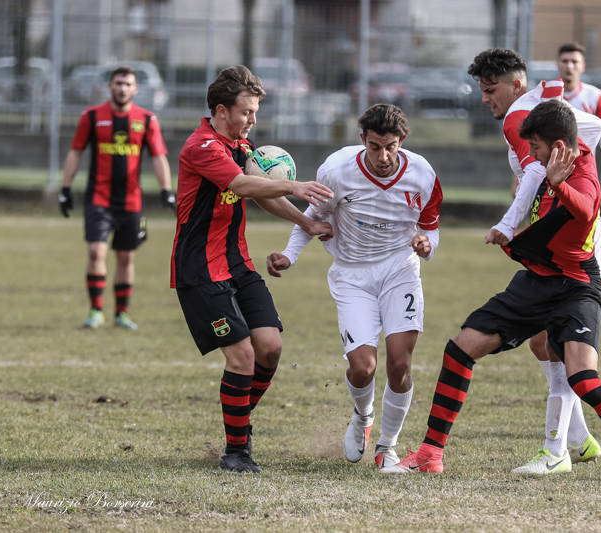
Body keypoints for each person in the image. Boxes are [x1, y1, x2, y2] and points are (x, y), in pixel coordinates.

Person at [382, 99, 601, 483]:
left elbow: (588, 209)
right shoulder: (551, 160)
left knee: (584, 379)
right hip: (537, 280)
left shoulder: (581, 173)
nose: (531, 156)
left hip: (576, 287)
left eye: (536, 148)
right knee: (460, 350)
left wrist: (559, 185)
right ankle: (430, 453)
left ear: (557, 146)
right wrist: (507, 227)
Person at [171, 65, 334, 474]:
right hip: (201, 272)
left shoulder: (242, 148)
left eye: (256, 112)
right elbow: (242, 186)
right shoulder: (202, 147)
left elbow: (261, 193)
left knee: (270, 348)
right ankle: (236, 452)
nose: (252, 120)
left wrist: (306, 222)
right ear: (221, 110)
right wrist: (296, 186)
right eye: (246, 112)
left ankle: (237, 424)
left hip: (237, 264)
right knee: (242, 355)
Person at [266, 103, 442, 469]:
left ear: (402, 140)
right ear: (362, 139)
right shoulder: (336, 171)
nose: (382, 156)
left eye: (390, 146)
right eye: (374, 146)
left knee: (399, 364)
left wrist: (427, 245)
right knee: (363, 368)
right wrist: (289, 255)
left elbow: (429, 225)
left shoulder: (423, 174)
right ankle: (363, 416)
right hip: (352, 275)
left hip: (399, 271)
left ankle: (387, 447)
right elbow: (312, 219)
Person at [467, 48, 601, 475]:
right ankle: (578, 440)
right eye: (481, 90)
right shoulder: (543, 106)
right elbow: (596, 126)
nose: (484, 99)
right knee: (541, 342)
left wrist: (509, 225)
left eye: (491, 90)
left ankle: (555, 453)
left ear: (516, 85)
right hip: (572, 230)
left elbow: (534, 174)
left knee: (560, 343)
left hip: (576, 237)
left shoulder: (517, 118)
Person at [60, 65, 175, 330]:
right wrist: (65, 189)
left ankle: (122, 313)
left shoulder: (146, 120)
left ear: (135, 89)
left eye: (128, 84)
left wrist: (166, 190)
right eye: (118, 83)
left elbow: (158, 157)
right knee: (95, 251)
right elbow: (75, 152)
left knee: (126, 258)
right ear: (110, 87)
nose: (122, 88)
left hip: (132, 202)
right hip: (98, 199)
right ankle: (96, 311)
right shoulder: (91, 117)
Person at [557, 42, 601, 197]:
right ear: (558, 64)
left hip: (584, 173)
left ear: (582, 66)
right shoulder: (546, 96)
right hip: (550, 171)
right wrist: (518, 177)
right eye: (565, 61)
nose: (569, 66)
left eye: (574, 62)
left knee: (587, 219)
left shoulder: (595, 96)